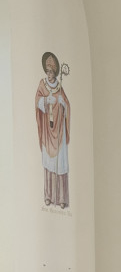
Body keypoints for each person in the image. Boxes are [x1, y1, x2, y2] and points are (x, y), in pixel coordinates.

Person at [35, 52, 70, 208]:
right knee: (49, 164)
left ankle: (62, 199)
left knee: (60, 164)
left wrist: (63, 103)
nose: (49, 74)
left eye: (51, 71)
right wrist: (43, 100)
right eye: (47, 71)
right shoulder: (42, 85)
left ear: (55, 72)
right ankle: (49, 196)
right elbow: (36, 101)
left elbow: (68, 106)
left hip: (59, 132)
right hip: (48, 131)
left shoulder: (60, 87)